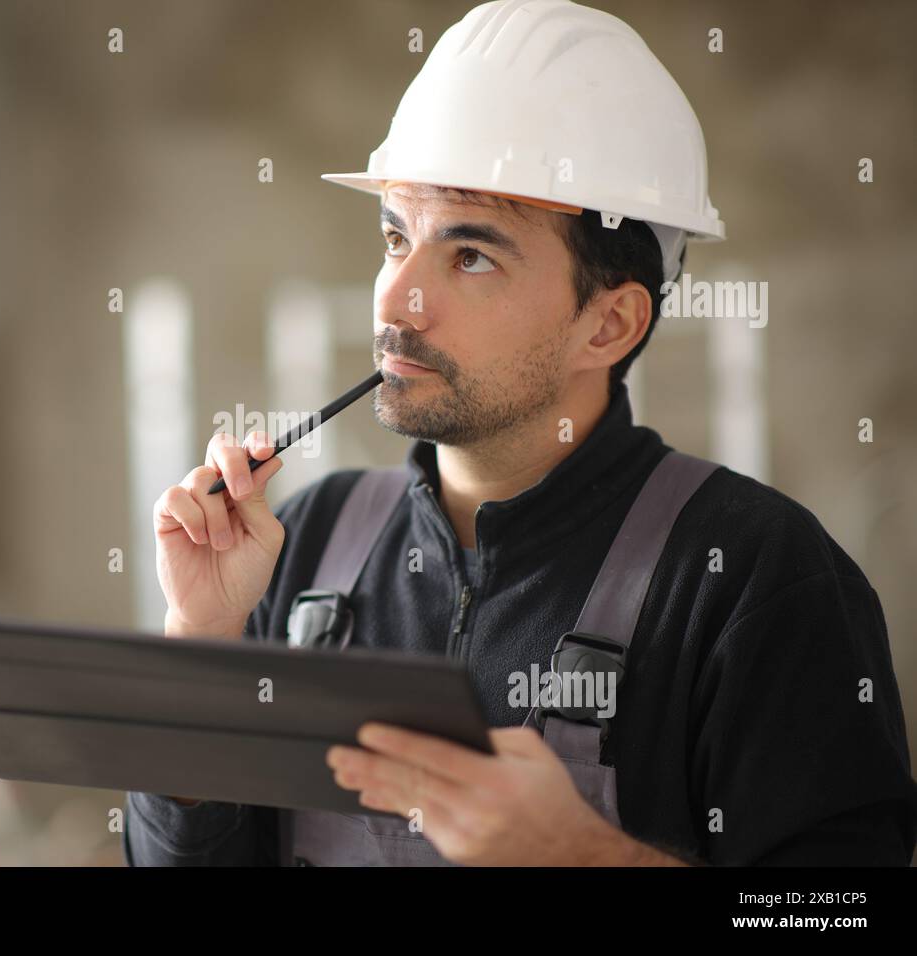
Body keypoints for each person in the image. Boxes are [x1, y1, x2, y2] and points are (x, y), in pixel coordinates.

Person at [124, 0, 917, 865]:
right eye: (397, 237)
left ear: (608, 325)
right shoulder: (302, 547)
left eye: (471, 256)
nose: (395, 299)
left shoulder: (757, 578)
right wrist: (203, 648)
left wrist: (584, 857)